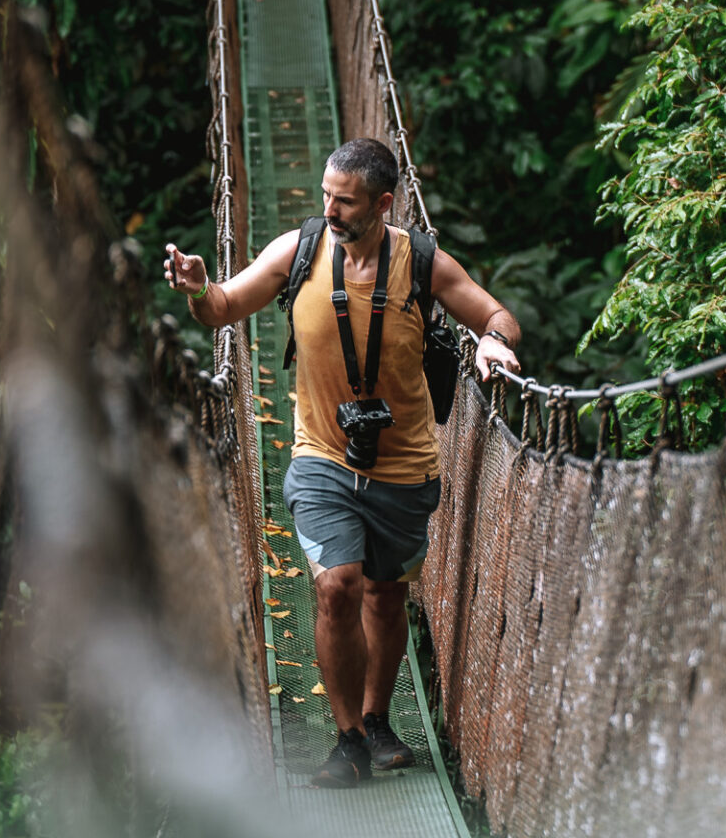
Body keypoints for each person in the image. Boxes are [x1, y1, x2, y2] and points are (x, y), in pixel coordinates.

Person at [163, 138, 521, 788]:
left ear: (383, 203)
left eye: (345, 201)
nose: (329, 208)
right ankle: (349, 737)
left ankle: (378, 720)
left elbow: (496, 313)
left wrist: (494, 343)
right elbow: (222, 308)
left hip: (406, 462)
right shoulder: (297, 253)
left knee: (386, 596)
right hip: (322, 457)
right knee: (336, 587)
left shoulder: (423, 263)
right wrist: (197, 288)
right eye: (326, 195)